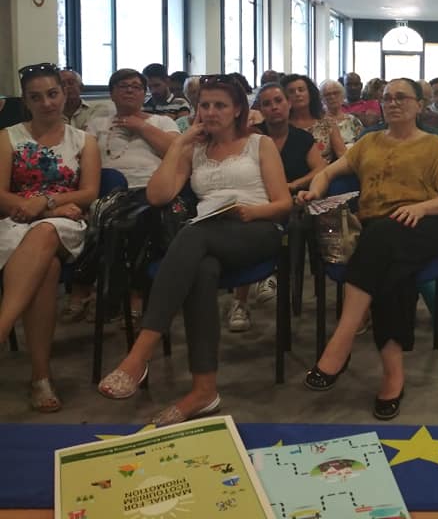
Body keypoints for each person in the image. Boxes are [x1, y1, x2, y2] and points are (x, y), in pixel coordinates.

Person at [97, 74, 291, 426]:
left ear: (237, 110)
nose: (211, 112)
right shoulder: (195, 148)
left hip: (257, 227)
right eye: (205, 105)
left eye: (220, 105)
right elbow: (157, 196)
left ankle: (139, 354)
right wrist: (180, 144)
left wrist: (251, 212)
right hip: (209, 232)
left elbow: (283, 203)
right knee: (202, 268)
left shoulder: (259, 144)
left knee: (192, 236)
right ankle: (204, 391)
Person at [297, 78, 438, 421]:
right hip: (380, 235)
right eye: (387, 98)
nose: (393, 103)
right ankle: (393, 377)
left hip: (424, 224)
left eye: (401, 97)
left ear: (419, 105)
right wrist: (315, 191)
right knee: (391, 272)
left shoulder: (432, 144)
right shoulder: (368, 142)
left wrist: (421, 208)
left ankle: (341, 341)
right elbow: (327, 173)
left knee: (383, 236)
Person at [0, 63, 100, 412]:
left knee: (46, 232)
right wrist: (43, 209)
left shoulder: (84, 141)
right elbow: (0, 194)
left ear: (64, 93)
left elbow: (89, 193)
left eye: (53, 94)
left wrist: (47, 204)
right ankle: (40, 377)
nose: (46, 103)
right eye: (36, 97)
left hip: (66, 225)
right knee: (48, 270)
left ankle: (2, 326)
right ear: (26, 101)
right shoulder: (8, 137)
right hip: (15, 223)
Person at [62, 69, 180, 323]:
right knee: (103, 214)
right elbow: (81, 160)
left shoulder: (162, 122)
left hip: (148, 190)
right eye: (123, 86)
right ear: (112, 93)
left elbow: (176, 152)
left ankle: (127, 294)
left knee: (133, 220)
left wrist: (141, 126)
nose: (129, 90)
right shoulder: (97, 124)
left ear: (144, 93)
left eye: (136, 86)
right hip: (106, 191)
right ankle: (99, 291)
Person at [226, 82, 326, 329]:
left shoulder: (302, 138)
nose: (274, 107)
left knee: (289, 222)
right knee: (247, 223)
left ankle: (270, 275)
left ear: (289, 104)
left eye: (279, 101)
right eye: (267, 103)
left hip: (292, 200)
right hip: (256, 198)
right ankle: (240, 301)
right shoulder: (251, 136)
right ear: (260, 109)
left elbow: (320, 169)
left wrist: (293, 185)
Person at [282, 74, 346, 164]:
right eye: (291, 91)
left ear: (310, 93)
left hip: (327, 171)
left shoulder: (327, 123)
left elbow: (342, 155)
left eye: (301, 90)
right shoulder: (282, 126)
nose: (297, 94)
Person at [318, 80, 364, 148]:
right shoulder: (318, 122)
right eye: (327, 94)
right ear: (322, 98)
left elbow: (363, 144)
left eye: (336, 93)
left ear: (343, 95)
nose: (332, 97)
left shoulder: (353, 121)